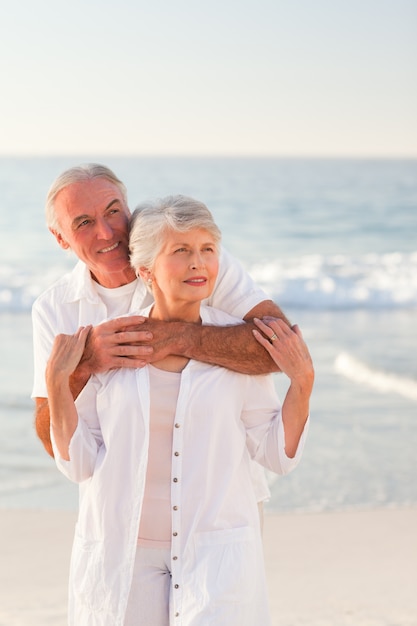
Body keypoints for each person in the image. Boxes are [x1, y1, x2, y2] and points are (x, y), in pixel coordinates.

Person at [46, 195, 314, 625]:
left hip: (215, 553)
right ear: (146, 270)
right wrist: (58, 382)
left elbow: (274, 454)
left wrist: (302, 384)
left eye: (208, 250)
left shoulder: (236, 347)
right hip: (124, 556)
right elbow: (79, 463)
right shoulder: (109, 344)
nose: (199, 264)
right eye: (182, 251)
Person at [32, 163, 290, 460]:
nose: (106, 232)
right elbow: (53, 443)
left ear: (128, 208)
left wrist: (177, 337)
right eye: (84, 223)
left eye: (113, 211)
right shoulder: (53, 309)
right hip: (122, 495)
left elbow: (279, 350)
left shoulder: (197, 262)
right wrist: (83, 364)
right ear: (60, 237)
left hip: (221, 490)